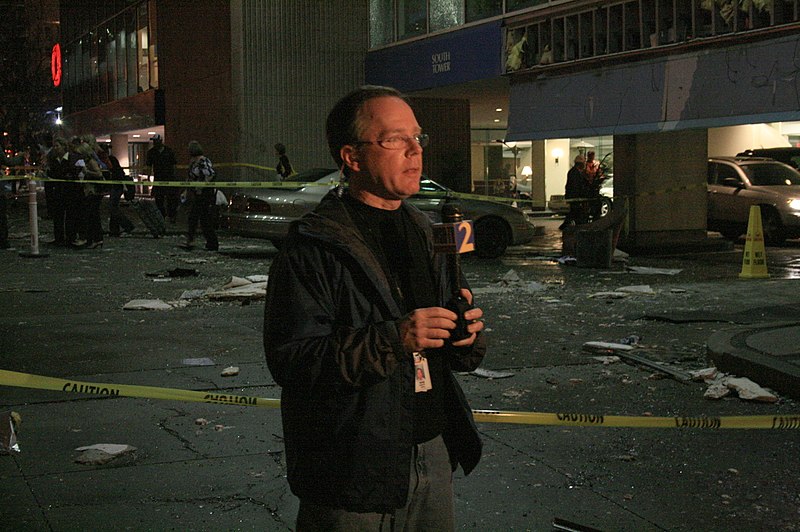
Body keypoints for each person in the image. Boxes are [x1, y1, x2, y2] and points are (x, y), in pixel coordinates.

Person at [263, 85, 486, 530]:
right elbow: (293, 360)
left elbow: (446, 342)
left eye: (417, 138)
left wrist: (465, 337)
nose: (413, 151)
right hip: (352, 462)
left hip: (431, 450)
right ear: (352, 157)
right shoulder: (314, 245)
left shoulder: (425, 230)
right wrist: (397, 338)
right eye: (393, 139)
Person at [184, 141, 218, 251]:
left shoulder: (203, 161)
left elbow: (210, 174)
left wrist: (201, 186)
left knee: (200, 218)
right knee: (200, 218)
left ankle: (210, 242)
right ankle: (208, 242)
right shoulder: (193, 163)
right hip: (197, 194)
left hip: (205, 194)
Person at [146, 134, 179, 222]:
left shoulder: (169, 151)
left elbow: (174, 164)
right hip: (158, 179)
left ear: (160, 141)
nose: (154, 143)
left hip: (170, 178)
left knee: (171, 199)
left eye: (156, 141)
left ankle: (171, 216)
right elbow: (149, 166)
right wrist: (149, 177)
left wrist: (175, 177)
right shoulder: (151, 152)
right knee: (158, 199)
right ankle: (162, 216)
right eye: (153, 141)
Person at [44, 137, 69, 246]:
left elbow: (64, 174)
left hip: (67, 191)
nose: (55, 148)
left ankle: (69, 237)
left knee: (68, 216)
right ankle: (58, 238)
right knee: (57, 216)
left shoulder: (69, 159)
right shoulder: (54, 160)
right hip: (57, 191)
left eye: (57, 146)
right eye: (54, 146)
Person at [105, 149, 135, 237]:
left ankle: (127, 226)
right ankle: (114, 230)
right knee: (113, 208)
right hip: (116, 187)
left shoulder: (112, 164)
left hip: (117, 187)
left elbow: (118, 176)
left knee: (113, 208)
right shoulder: (113, 162)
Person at [562, 154, 589, 227]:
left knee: (573, 213)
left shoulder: (575, 172)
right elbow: (575, 186)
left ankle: (568, 225)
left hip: (575, 198)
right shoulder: (574, 173)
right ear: (580, 164)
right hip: (575, 198)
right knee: (575, 213)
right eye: (583, 163)